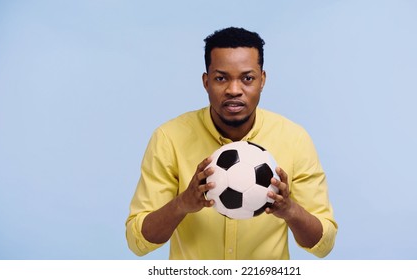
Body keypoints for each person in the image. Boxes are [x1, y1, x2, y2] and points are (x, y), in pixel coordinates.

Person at [125, 27, 337, 260]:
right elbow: (138, 242)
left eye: (247, 78)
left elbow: (323, 244)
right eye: (221, 78)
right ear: (206, 82)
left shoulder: (294, 139)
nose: (234, 90)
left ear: (262, 80)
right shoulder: (169, 138)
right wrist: (183, 204)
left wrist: (290, 210)